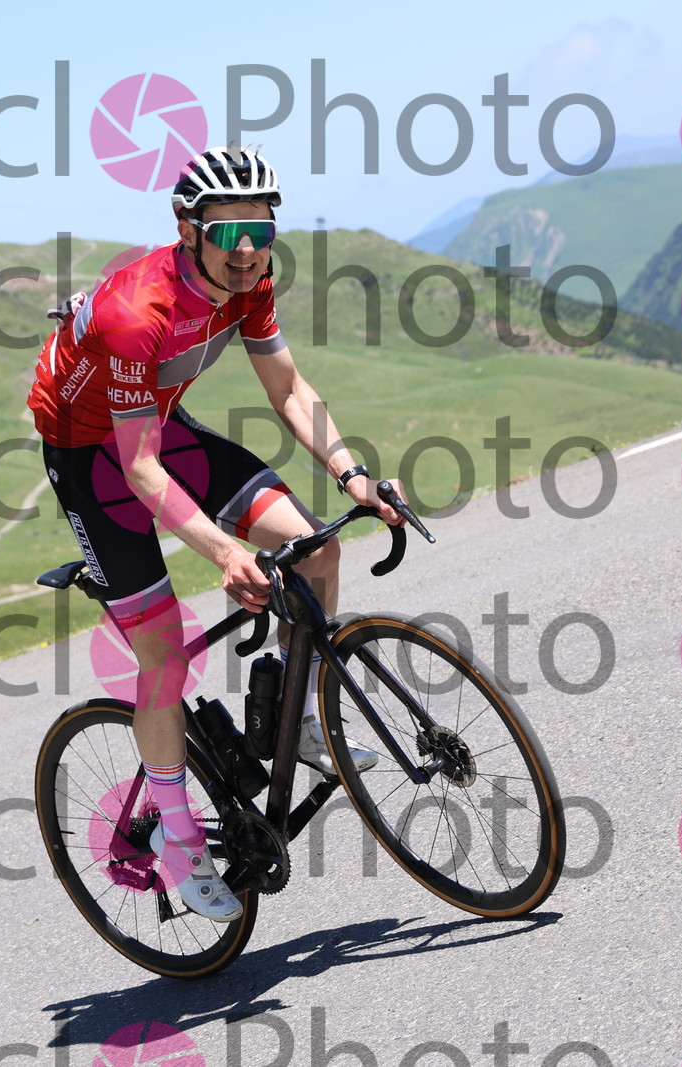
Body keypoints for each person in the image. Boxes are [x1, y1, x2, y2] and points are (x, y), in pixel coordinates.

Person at [26, 145, 401, 922]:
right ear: (187, 229)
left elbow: (287, 387)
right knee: (163, 654)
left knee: (317, 549)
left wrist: (352, 474)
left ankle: (301, 720)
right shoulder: (139, 313)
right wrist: (227, 553)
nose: (248, 250)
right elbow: (138, 468)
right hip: (91, 457)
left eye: (261, 231)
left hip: (157, 424)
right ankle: (177, 837)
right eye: (229, 233)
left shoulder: (251, 279)